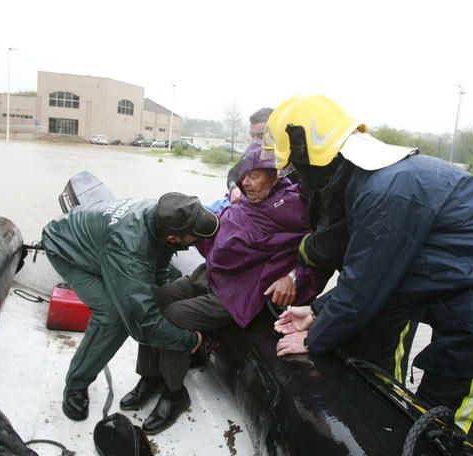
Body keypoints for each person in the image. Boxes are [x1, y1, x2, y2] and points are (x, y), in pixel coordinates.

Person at [266, 95, 473, 455]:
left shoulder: (383, 190)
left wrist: (317, 337)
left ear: (310, 157)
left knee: (445, 440)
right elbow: (385, 273)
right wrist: (318, 311)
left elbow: (366, 287)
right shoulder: (403, 176)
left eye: (295, 168)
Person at [120, 143, 329, 435]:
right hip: (211, 273)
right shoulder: (242, 200)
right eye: (245, 175)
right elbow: (217, 225)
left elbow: (320, 252)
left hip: (238, 292)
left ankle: (174, 392)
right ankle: (151, 375)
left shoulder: (293, 208)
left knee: (174, 315)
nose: (246, 182)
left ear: (274, 176)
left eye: (255, 176)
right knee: (156, 300)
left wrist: (293, 277)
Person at [41, 192, 219, 422]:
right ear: (175, 237)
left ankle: (153, 376)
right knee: (113, 316)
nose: (199, 240)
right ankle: (76, 384)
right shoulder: (129, 249)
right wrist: (190, 341)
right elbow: (142, 326)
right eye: (195, 236)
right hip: (67, 248)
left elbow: (160, 262)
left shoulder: (163, 216)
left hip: (104, 244)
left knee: (155, 297)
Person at [225, 107, 274, 204]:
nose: (255, 141)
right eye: (252, 136)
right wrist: (233, 188)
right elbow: (233, 174)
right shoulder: (250, 155)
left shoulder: (292, 162)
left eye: (261, 136)